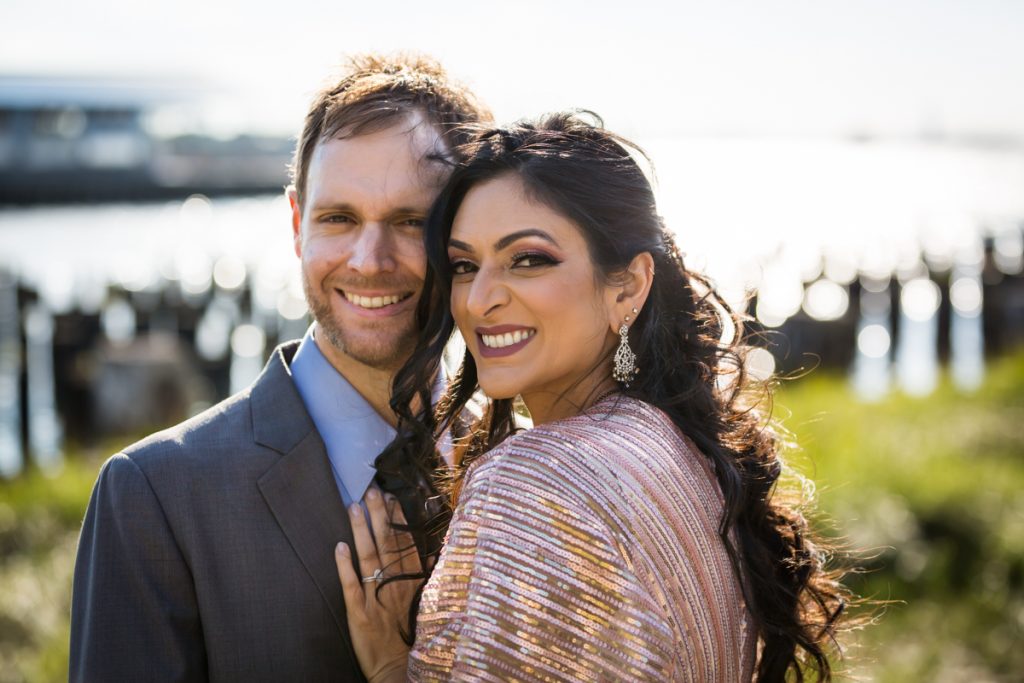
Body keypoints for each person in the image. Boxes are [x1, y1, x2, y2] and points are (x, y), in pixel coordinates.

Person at [332, 113, 849, 682]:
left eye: (529, 259)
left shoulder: (534, 480)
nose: (478, 300)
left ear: (627, 284)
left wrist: (386, 669)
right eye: (463, 265)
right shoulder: (678, 447)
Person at [69, 54, 490, 682]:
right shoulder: (153, 496)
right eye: (338, 219)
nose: (369, 261)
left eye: (411, 222)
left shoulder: (520, 460)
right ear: (297, 224)